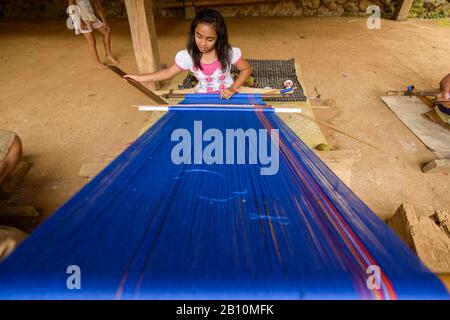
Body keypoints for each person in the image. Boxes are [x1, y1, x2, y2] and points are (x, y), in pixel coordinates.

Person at [124, 9, 252, 100]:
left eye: (209, 39)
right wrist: (138, 78)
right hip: (201, 97)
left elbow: (246, 69)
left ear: (219, 38)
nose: (202, 43)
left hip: (227, 96)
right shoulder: (188, 56)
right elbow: (168, 72)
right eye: (199, 36)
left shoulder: (228, 53)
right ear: (194, 33)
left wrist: (233, 88)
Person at [68, 0, 119, 69]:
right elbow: (72, 7)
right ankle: (97, 63)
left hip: (91, 16)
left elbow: (97, 7)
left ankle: (108, 55)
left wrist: (104, 21)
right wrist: (79, 20)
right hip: (81, 18)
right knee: (91, 40)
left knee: (106, 32)